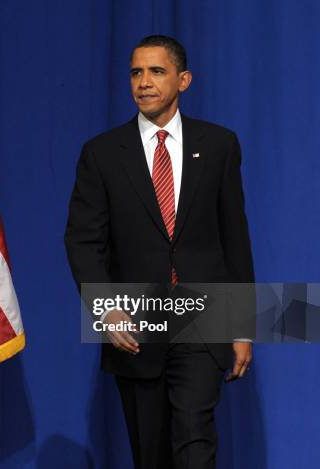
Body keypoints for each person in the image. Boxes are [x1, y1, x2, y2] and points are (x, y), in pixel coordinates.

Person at [64, 35, 255, 469]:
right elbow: (83, 240)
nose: (144, 82)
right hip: (135, 327)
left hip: (203, 322)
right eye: (136, 72)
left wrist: (243, 325)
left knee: (195, 440)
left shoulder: (220, 145)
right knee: (149, 454)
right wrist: (107, 309)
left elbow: (235, 238)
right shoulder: (102, 154)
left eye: (156, 71)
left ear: (183, 80)